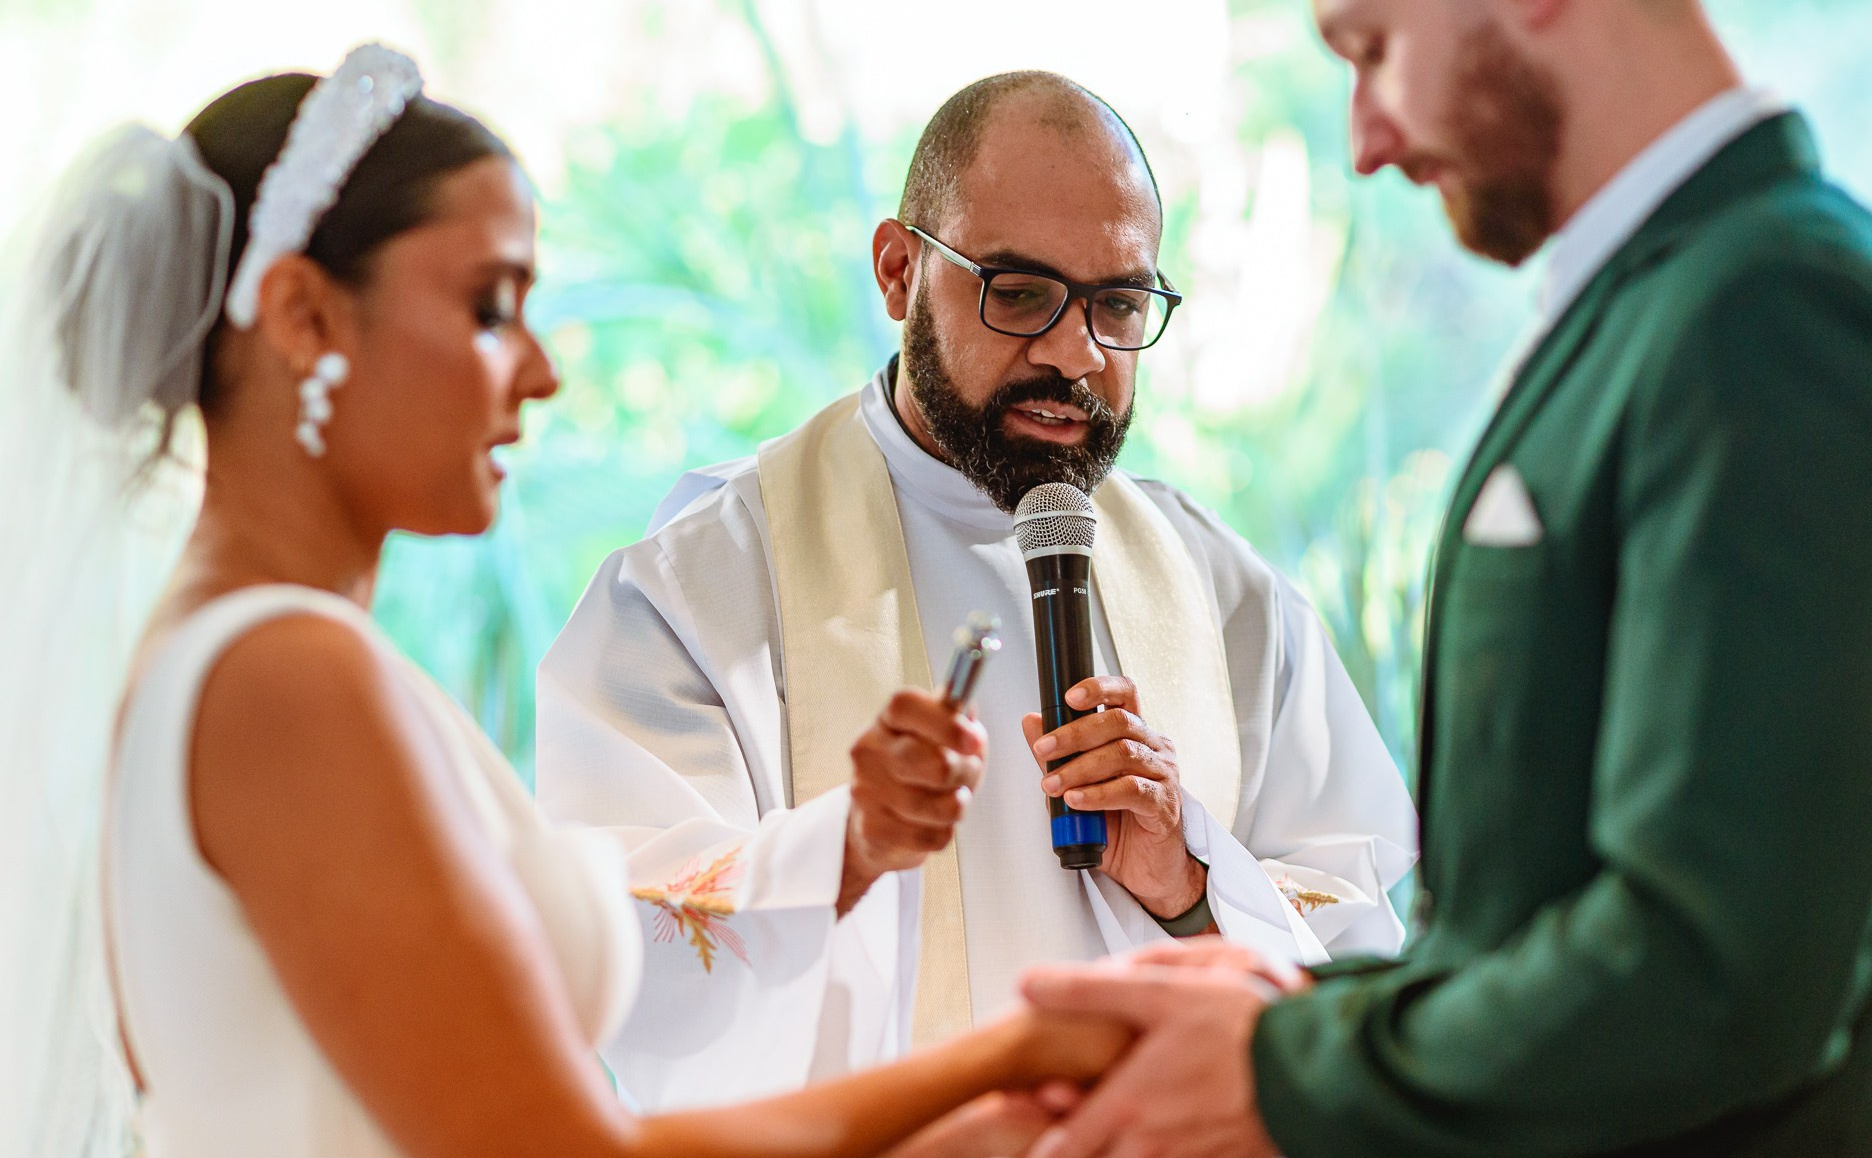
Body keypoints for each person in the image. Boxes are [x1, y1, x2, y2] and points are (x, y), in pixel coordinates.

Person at [1018, 0, 1872, 1156]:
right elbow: (1530, 927)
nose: (1365, 136)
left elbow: (1713, 973)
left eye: (1372, 48)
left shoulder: (1785, 321)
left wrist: (1288, 1062)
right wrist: (1273, 992)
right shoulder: (1668, 310)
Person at [0, 45, 1127, 1158]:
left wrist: (852, 843)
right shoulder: (287, 680)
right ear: (304, 316)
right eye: (491, 306)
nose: (540, 370)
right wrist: (1010, 1053)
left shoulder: (230, 653)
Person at [536, 70, 1418, 1109]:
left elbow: (1360, 960)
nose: (1073, 351)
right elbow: (610, 949)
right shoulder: (706, 587)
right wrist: (847, 848)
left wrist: (1191, 883)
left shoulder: (1224, 595)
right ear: (898, 271)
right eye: (1019, 292)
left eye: (1119, 302)